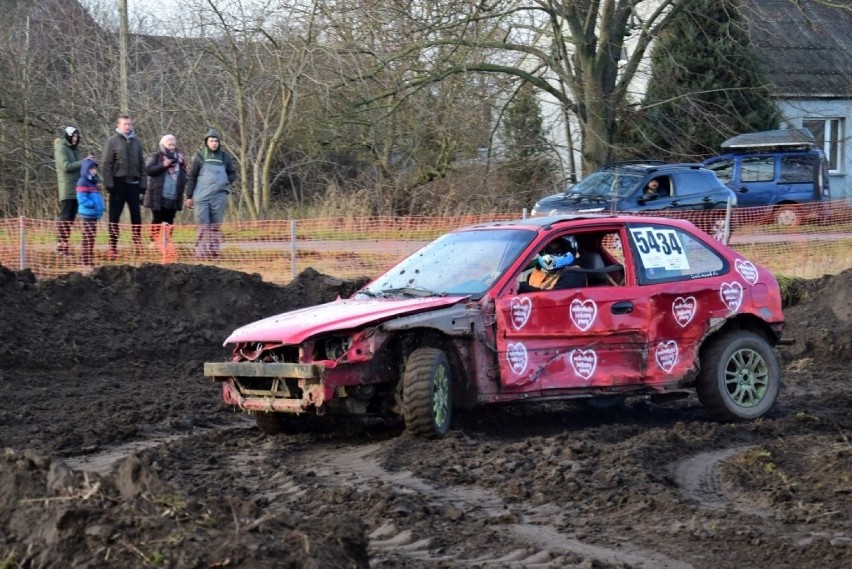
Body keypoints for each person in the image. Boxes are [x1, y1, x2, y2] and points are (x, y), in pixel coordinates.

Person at [184, 128, 237, 259]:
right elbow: (192, 177)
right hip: (201, 196)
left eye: (216, 141)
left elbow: (232, 173)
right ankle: (201, 253)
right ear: (206, 142)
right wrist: (189, 196)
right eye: (211, 141)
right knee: (202, 225)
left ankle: (214, 251)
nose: (214, 143)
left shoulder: (225, 157)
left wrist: (225, 183)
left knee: (215, 225)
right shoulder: (200, 156)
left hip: (219, 196)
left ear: (219, 142)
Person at [102, 114, 146, 258]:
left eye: (129, 124)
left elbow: (142, 165)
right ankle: (113, 246)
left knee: (136, 217)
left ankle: (137, 243)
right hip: (118, 184)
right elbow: (107, 164)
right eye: (125, 124)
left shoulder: (137, 143)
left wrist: (143, 185)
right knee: (114, 217)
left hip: (134, 184)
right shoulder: (112, 142)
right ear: (119, 125)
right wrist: (109, 184)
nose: (128, 127)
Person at [54, 126, 92, 256]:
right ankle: (61, 246)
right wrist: (83, 162)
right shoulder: (61, 149)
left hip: (77, 188)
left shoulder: (75, 150)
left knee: (71, 218)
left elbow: (78, 167)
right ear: (68, 136)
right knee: (65, 217)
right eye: (73, 136)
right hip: (67, 188)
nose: (75, 139)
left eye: (77, 137)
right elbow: (66, 166)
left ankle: (65, 246)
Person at [144, 134, 187, 246]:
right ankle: (153, 242)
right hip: (158, 194)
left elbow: (184, 174)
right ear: (163, 145)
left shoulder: (180, 159)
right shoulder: (156, 156)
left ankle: (166, 243)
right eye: (169, 144)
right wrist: (163, 165)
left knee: (169, 220)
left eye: (173, 144)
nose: (172, 146)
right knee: (157, 219)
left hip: (173, 194)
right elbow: (149, 170)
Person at [519, 236, 585, 292]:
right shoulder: (539, 272)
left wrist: (521, 287)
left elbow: (554, 297)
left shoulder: (574, 275)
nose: (547, 251)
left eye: (554, 246)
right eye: (544, 247)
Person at [75, 158, 105, 267]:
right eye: (92, 168)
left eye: (95, 168)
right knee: (88, 237)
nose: (94, 171)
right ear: (86, 169)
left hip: (93, 214)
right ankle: (85, 259)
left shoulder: (93, 182)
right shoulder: (83, 181)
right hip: (87, 214)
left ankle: (88, 257)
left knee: (91, 237)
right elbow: (81, 198)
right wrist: (92, 204)